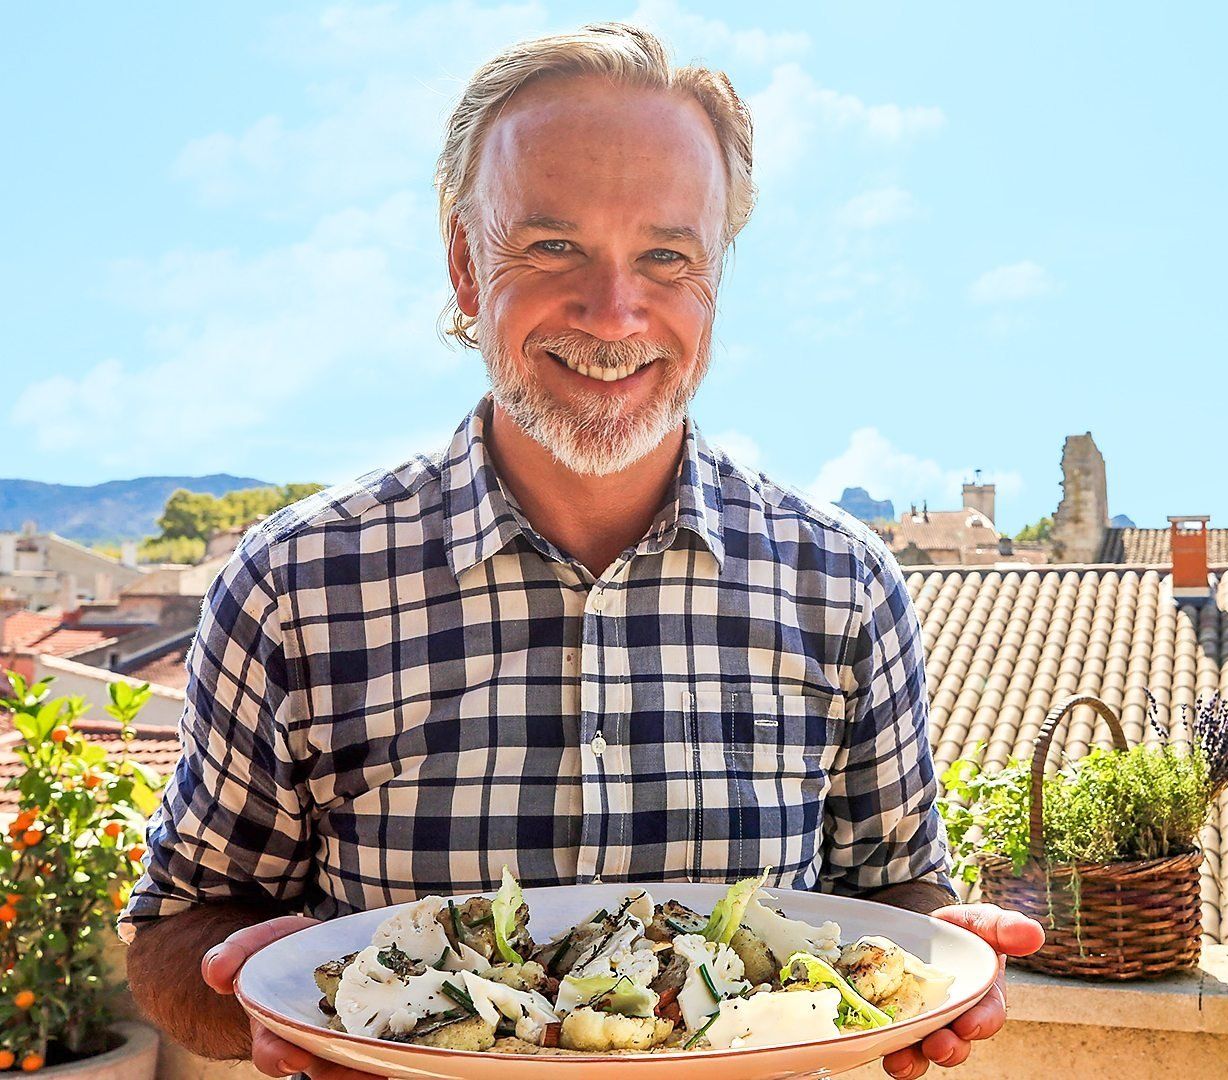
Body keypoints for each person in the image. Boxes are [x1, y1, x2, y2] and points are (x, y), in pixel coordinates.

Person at [119, 23, 1042, 1079]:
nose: (614, 313)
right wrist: (250, 998)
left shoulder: (843, 588)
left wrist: (941, 965)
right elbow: (176, 929)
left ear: (717, 275)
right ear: (467, 266)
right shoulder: (291, 587)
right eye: (553, 247)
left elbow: (896, 894)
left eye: (666, 255)